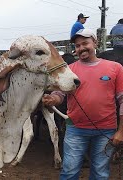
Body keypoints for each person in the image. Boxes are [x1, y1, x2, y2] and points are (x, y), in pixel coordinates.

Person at [42, 29, 123, 179]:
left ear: (95, 43)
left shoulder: (115, 68)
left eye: (85, 43)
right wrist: (52, 99)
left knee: (100, 174)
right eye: (77, 45)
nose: (81, 48)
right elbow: (60, 94)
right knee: (69, 172)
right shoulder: (69, 70)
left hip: (106, 131)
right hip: (75, 130)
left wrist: (121, 131)